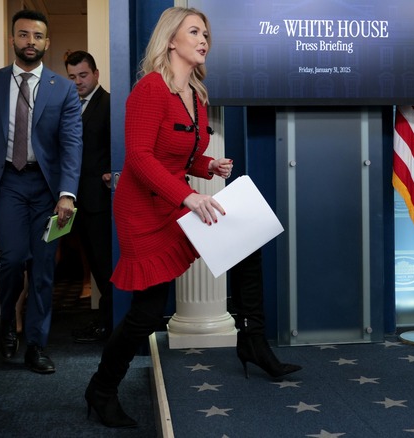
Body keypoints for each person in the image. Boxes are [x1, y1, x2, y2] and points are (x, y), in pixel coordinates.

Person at [83, 7, 300, 429]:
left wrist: (208, 167)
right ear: (171, 40)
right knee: (147, 311)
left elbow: (179, 153)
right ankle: (101, 388)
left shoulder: (196, 94)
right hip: (143, 210)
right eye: (195, 32)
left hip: (175, 202)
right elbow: (140, 159)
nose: (204, 40)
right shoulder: (149, 90)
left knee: (246, 241)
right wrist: (188, 196)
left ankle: (252, 341)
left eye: (206, 33)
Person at [0, 9, 82, 374]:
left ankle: (36, 343)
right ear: (12, 39)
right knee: (13, 259)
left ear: (46, 43)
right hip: (7, 184)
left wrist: (67, 193)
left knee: (43, 267)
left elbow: (71, 145)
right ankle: (6, 321)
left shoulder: (63, 88)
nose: (30, 42)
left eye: (37, 37)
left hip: (47, 188)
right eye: (23, 35)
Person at [64, 50, 114, 343]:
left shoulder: (108, 104)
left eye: (83, 75)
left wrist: (110, 170)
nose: (78, 82)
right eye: (72, 77)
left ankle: (109, 325)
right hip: (74, 199)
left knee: (104, 266)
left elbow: (115, 143)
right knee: (92, 266)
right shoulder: (69, 105)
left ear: (96, 74)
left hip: (99, 199)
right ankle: (104, 322)